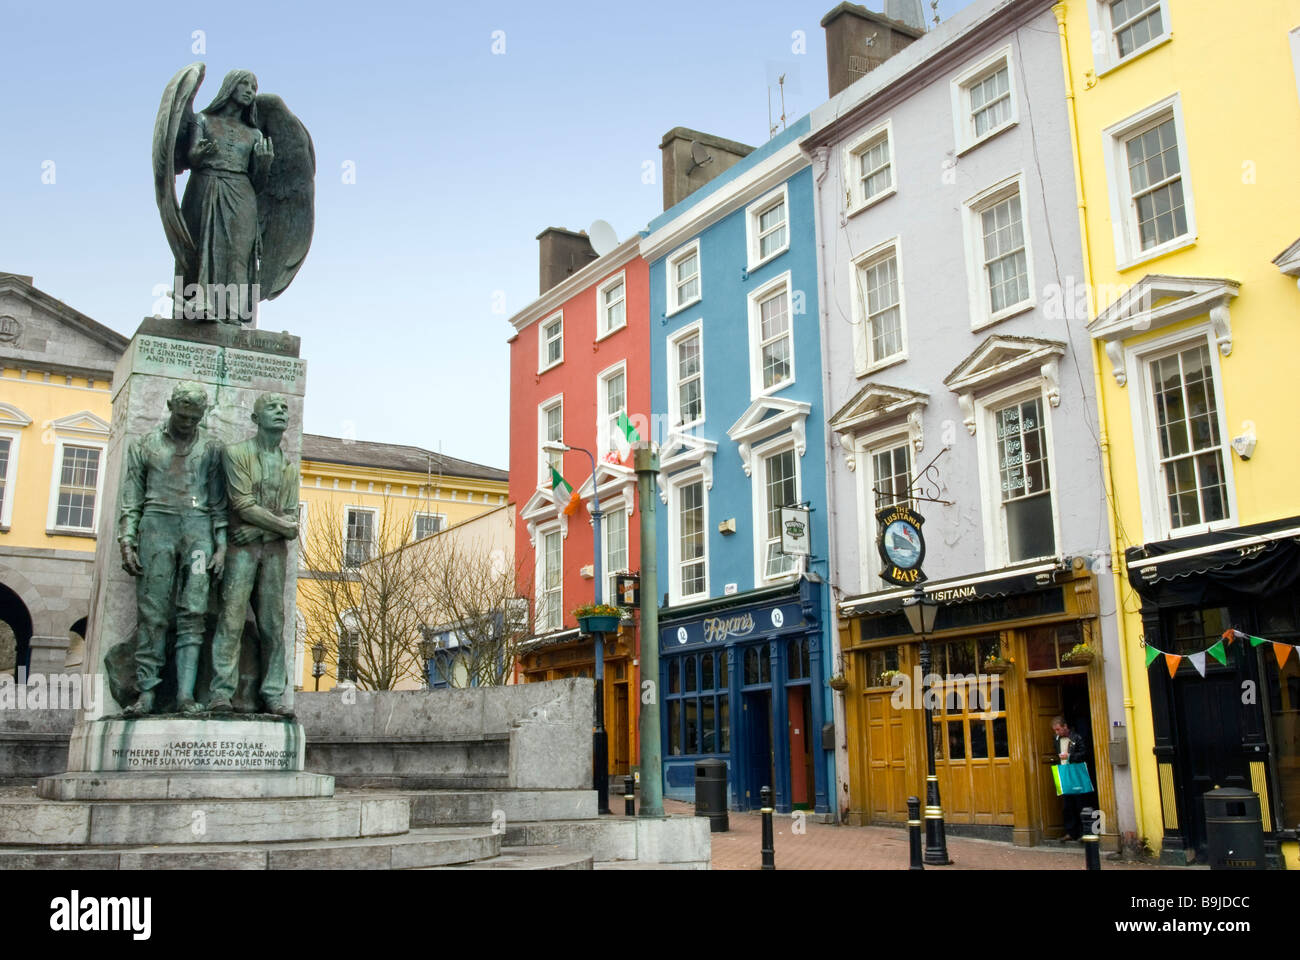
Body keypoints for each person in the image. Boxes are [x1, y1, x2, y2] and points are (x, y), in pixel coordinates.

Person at [118, 382, 227, 715]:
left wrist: (221, 545)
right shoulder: (145, 445)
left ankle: (185, 694)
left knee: (194, 612)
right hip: (156, 526)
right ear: (170, 406)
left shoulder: (212, 448)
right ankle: (147, 693)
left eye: (194, 418)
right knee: (152, 613)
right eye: (182, 416)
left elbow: (219, 501)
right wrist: (127, 538)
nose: (188, 423)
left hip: (198, 530)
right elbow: (132, 497)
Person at [207, 393, 298, 715]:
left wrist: (262, 530)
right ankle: (221, 692)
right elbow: (241, 503)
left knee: (274, 624)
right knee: (230, 620)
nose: (280, 412)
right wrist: (281, 527)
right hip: (240, 551)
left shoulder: (288, 467)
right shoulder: (236, 454)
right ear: (256, 417)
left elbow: (291, 519)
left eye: (284, 408)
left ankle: (273, 693)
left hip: (272, 550)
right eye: (272, 408)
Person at [180, 69, 274, 322]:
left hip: (242, 191)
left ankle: (234, 313)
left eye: (253, 87)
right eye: (244, 84)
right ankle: (200, 304)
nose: (249, 91)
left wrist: (263, 165)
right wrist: (197, 155)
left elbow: (259, 183)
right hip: (206, 185)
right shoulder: (203, 120)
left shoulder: (255, 134)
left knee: (239, 252)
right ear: (230, 86)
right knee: (204, 246)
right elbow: (190, 157)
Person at [1052, 715, 1090, 841]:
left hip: (1076, 772)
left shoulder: (1077, 738)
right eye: (1055, 730)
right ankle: (1071, 832)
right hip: (1063, 772)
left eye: (1058, 729)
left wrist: (1070, 756)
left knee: (1081, 803)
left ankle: (1084, 832)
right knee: (1067, 805)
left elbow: (1084, 754)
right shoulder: (1056, 739)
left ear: (1065, 726)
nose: (1056, 732)